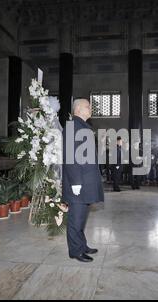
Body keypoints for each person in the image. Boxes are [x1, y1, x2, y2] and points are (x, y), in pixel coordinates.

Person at [62, 99, 104, 262]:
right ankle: (75, 251)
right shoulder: (73, 126)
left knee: (82, 217)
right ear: (78, 109)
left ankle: (82, 245)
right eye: (88, 106)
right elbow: (71, 157)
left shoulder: (82, 126)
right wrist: (76, 182)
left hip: (85, 181)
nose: (90, 108)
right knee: (76, 218)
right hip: (78, 182)